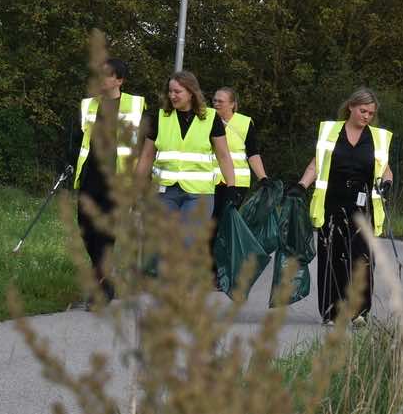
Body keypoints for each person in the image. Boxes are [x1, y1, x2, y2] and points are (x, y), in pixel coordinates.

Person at [293, 87, 393, 325]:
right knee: (331, 256)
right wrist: (301, 185)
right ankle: (332, 311)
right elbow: (317, 163)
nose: (366, 116)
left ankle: (359, 312)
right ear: (351, 106)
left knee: (362, 256)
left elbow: (386, 169)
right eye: (362, 111)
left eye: (371, 113)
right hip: (332, 201)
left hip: (362, 202)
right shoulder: (330, 131)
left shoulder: (377, 137)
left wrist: (387, 183)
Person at [75, 57, 147, 300]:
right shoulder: (88, 106)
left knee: (106, 234)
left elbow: (147, 145)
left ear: (119, 80)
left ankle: (101, 289)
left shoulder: (136, 106)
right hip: (90, 179)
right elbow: (77, 140)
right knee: (87, 231)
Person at [134, 71, 236, 219]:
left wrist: (231, 187)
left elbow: (223, 155)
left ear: (191, 93)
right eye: (169, 91)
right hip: (164, 193)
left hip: (199, 194)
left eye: (177, 91)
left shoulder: (211, 118)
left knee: (188, 241)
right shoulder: (159, 118)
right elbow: (147, 156)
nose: (172, 96)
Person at [211, 87, 269, 215]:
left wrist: (263, 178)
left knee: (226, 221)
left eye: (220, 101)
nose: (216, 104)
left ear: (232, 104)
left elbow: (253, 154)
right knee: (211, 223)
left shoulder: (245, 123)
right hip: (211, 180)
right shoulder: (207, 120)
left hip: (237, 182)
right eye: (214, 101)